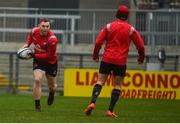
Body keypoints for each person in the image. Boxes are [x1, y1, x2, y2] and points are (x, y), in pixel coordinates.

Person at [84, 5, 145, 117]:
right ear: (127, 16)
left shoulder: (109, 26)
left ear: (117, 14)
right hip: (120, 62)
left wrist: (95, 55)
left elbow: (98, 42)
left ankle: (92, 102)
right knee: (117, 85)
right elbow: (141, 46)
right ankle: (110, 110)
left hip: (107, 59)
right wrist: (141, 58)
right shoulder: (131, 30)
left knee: (100, 82)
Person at [23, 18, 58, 112]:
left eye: (47, 26)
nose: (45, 28)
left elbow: (49, 55)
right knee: (37, 80)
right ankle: (37, 106)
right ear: (39, 26)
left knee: (52, 86)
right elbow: (30, 35)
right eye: (43, 26)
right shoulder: (34, 31)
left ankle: (52, 93)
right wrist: (27, 44)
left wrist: (34, 55)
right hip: (39, 60)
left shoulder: (52, 39)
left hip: (51, 62)